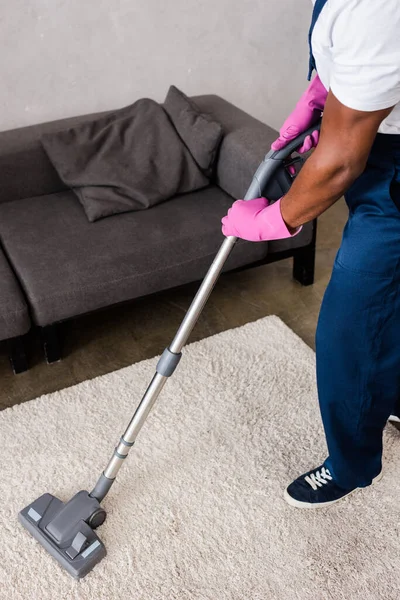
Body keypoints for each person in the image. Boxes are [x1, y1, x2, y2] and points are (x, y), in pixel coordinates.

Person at [221, 0, 400, 508]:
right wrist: (322, 93)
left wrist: (271, 220)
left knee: (353, 326)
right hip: (379, 143)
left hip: (391, 169)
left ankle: (350, 465)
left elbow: (342, 161)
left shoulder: (381, 10)